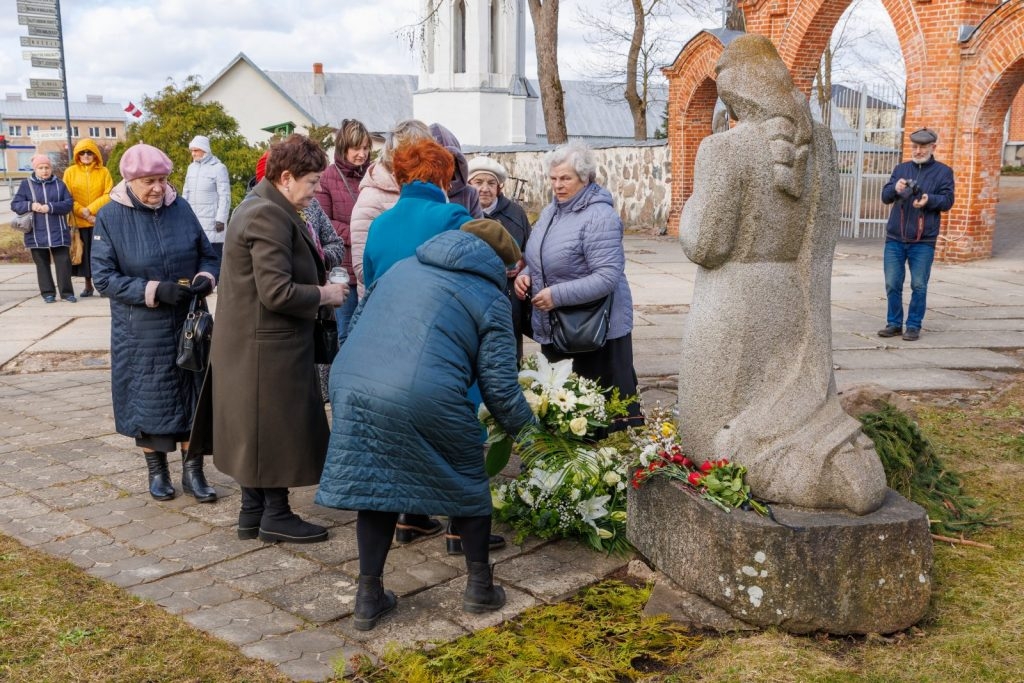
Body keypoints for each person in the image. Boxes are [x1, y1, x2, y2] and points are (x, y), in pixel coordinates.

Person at [316, 221, 535, 630]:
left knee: (374, 482)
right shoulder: (489, 297)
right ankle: (479, 589)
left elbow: (359, 322)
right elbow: (500, 389)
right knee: (467, 477)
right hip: (424, 391)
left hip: (355, 381)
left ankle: (367, 598)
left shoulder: (399, 267)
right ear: (501, 264)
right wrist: (534, 436)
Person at [203, 134, 348, 544]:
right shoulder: (268, 214)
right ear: (286, 177)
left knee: (258, 431)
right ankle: (276, 515)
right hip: (267, 346)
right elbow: (277, 292)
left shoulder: (261, 205)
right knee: (274, 431)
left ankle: (254, 512)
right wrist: (326, 294)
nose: (316, 190)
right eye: (313, 181)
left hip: (254, 343)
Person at [91, 143, 220, 503]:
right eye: (149, 181)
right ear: (130, 180)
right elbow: (103, 278)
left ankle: (193, 471)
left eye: (163, 180)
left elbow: (209, 256)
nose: (158, 188)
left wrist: (205, 278)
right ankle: (157, 471)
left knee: (194, 395)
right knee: (150, 400)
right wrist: (154, 290)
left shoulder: (181, 208)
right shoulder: (110, 217)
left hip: (188, 323)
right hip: (140, 330)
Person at [514, 140, 642, 432]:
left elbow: (608, 276)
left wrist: (556, 295)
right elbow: (539, 255)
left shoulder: (600, 216)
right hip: (560, 328)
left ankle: (606, 472)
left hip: (597, 331)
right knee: (565, 409)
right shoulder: (551, 212)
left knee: (599, 418)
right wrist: (528, 274)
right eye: (554, 178)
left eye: (565, 178)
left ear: (585, 178)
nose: (557, 185)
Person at [877, 127, 955, 342]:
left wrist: (929, 199)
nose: (918, 151)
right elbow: (885, 197)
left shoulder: (943, 172)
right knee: (892, 283)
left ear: (933, 147)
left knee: (919, 285)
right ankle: (893, 323)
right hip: (895, 237)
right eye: (915, 147)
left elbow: (948, 201)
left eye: (922, 147)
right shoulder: (901, 168)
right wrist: (895, 187)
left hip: (924, 240)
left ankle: (913, 325)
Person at [349, 118, 433, 293]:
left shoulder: (431, 189)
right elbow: (362, 268)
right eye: (417, 155)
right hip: (383, 301)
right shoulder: (371, 198)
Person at [468, 156, 532, 360]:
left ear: (499, 187)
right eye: (478, 182)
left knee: (510, 352)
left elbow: (531, 249)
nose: (485, 188)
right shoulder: (462, 213)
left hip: (510, 296)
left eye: (491, 182)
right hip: (474, 294)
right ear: (469, 185)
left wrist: (522, 262)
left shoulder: (515, 213)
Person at [315, 119, 372, 344]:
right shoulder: (328, 177)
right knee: (346, 332)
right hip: (343, 269)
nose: (362, 154)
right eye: (356, 148)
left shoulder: (374, 175)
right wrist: (359, 231)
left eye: (366, 148)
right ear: (344, 147)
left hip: (368, 266)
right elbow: (323, 223)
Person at [12, 154, 75, 303]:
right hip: (35, 232)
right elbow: (15, 204)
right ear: (35, 169)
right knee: (42, 264)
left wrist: (50, 207)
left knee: (64, 263)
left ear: (51, 168)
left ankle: (67, 293)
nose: (44, 171)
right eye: (41, 168)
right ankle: (48, 293)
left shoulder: (60, 184)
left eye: (47, 167)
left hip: (58, 231)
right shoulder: (26, 185)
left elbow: (68, 204)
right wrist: (30, 205)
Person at [62, 139, 113, 297]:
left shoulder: (104, 171)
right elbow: (66, 196)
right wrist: (81, 211)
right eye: (82, 152)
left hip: (98, 221)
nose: (86, 155)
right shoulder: (70, 172)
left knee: (101, 255)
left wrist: (90, 211)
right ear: (77, 154)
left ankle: (102, 286)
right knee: (83, 256)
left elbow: (108, 193)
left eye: (89, 152)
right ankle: (88, 285)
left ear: (95, 154)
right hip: (79, 222)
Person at [182, 135, 231, 258]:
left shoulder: (219, 168)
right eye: (192, 150)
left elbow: (225, 195)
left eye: (196, 150)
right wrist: (182, 214)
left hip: (213, 224)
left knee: (214, 260)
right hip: (194, 222)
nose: (193, 154)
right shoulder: (191, 168)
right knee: (196, 260)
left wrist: (221, 219)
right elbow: (186, 192)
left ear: (205, 149)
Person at [429, 122, 483, 218]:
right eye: (436, 160)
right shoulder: (419, 193)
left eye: (448, 160)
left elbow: (478, 229)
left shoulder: (469, 194)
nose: (442, 166)